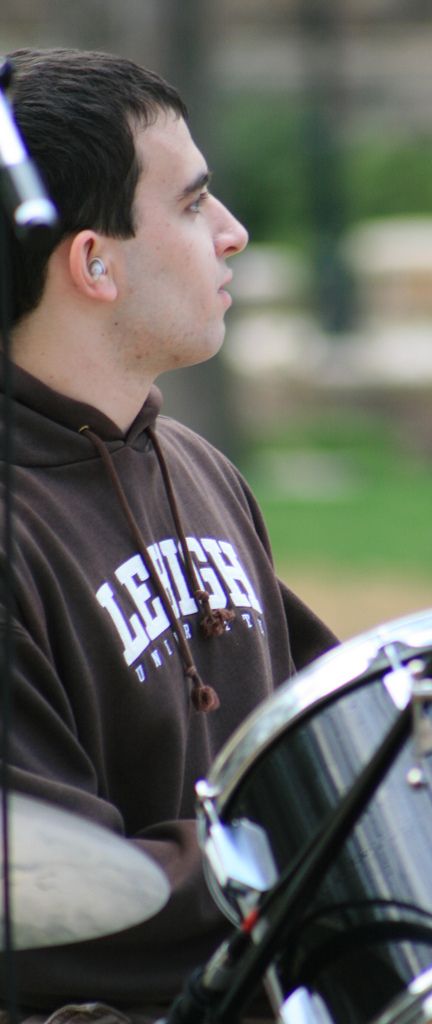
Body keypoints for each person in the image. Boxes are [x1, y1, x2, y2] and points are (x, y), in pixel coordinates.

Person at [0, 47, 337, 1024]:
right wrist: (311, 862)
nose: (232, 234)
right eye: (192, 206)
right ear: (93, 263)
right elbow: (63, 898)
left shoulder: (192, 463)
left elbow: (346, 723)